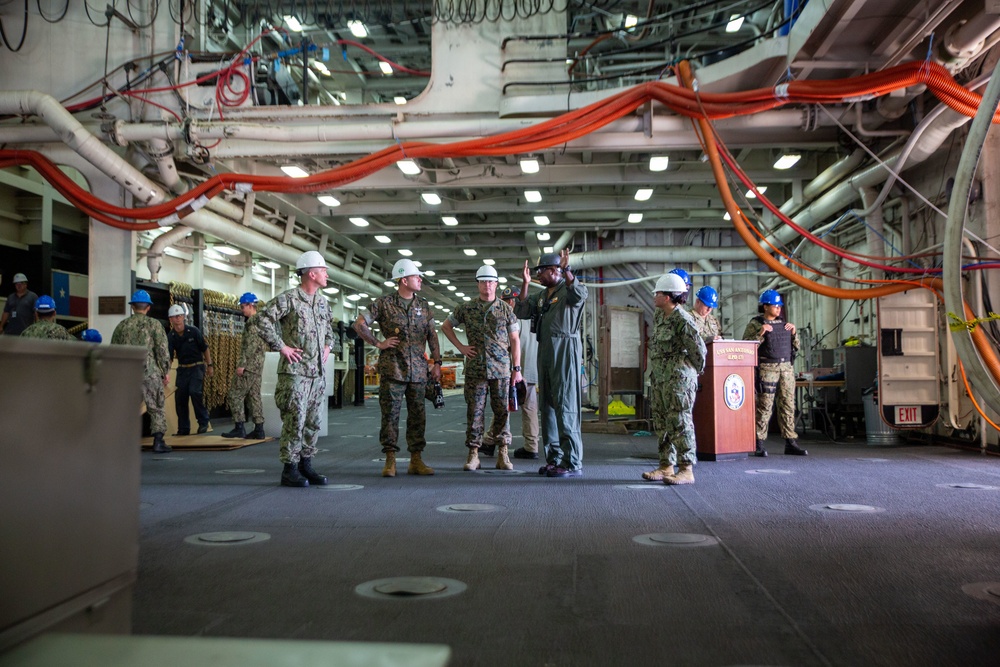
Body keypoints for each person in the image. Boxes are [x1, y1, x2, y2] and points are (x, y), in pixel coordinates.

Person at [353, 258, 441, 477]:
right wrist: (378, 343)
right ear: (404, 279)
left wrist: (437, 363)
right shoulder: (383, 303)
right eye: (416, 276)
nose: (420, 280)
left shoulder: (424, 306)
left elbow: (432, 335)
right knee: (390, 416)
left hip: (419, 372)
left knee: (418, 416)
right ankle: (390, 460)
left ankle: (416, 460)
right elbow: (359, 324)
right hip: (393, 369)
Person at [257, 250, 338, 487]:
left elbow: (330, 332)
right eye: (323, 271)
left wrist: (327, 346)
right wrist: (281, 346)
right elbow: (262, 320)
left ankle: (306, 464)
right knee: (295, 420)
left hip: (317, 375)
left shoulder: (323, 303)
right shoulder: (289, 299)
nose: (326, 275)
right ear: (311, 274)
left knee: (313, 422)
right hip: (295, 374)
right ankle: (289, 468)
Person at [441, 265, 523, 472]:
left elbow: (515, 340)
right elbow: (446, 326)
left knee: (502, 411)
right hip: (476, 368)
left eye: (490, 281)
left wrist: (517, 368)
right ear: (478, 284)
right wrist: (460, 347)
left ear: (496, 283)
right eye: (483, 281)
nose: (487, 285)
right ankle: (474, 454)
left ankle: (503, 452)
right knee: (474, 412)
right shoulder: (466, 308)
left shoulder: (506, 310)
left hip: (501, 369)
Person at [514, 249, 588, 478]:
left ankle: (571, 461)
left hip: (565, 352)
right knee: (547, 408)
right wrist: (525, 284)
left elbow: (579, 296)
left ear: (554, 271)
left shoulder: (569, 289)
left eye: (541, 271)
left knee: (566, 406)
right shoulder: (542, 296)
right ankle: (554, 458)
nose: (538, 276)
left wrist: (568, 270)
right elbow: (521, 310)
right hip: (545, 351)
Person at [642, 274, 706, 485]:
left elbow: (699, 352)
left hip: (678, 381)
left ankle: (686, 469)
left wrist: (690, 374)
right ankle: (666, 466)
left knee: (680, 422)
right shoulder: (660, 315)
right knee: (662, 422)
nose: (654, 296)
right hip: (661, 378)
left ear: (669, 297)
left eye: (658, 293)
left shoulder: (683, 320)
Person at [743, 289, 808, 457]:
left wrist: (794, 333)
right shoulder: (755, 324)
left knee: (788, 405)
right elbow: (747, 347)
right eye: (775, 306)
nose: (778, 309)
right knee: (764, 407)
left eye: (780, 306)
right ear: (765, 307)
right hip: (767, 369)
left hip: (786, 369)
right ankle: (758, 442)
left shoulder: (784, 324)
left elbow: (796, 348)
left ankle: (790, 441)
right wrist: (761, 333)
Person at [111, 290, 171, 453]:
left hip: (127, 373)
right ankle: (158, 441)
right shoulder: (155, 325)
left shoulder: (121, 326)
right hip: (150, 371)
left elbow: (114, 352)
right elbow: (162, 351)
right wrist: (165, 371)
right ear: (148, 307)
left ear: (132, 307)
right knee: (156, 407)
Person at [222, 292, 267, 440]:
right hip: (258, 365)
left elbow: (251, 346)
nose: (242, 310)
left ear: (250, 305)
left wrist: (242, 364)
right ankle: (259, 429)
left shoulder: (252, 323)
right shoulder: (261, 321)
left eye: (243, 307)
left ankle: (239, 426)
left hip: (249, 366)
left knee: (235, 394)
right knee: (254, 396)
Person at [502, 286, 541, 460]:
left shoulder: (512, 321)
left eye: (505, 301)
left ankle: (492, 441)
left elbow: (506, 348)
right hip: (532, 370)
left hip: (513, 372)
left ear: (512, 302)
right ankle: (532, 446)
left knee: (503, 407)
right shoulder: (535, 319)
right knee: (530, 408)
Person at [167, 303, 213, 436]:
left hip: (196, 367)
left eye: (179, 316)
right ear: (170, 319)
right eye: (174, 317)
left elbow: (205, 348)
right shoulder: (171, 337)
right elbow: (170, 357)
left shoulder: (193, 331)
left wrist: (210, 365)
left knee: (195, 392)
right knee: (180, 398)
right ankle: (183, 428)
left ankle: (203, 422)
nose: (177, 319)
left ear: (183, 317)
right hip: (182, 370)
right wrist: (166, 373)